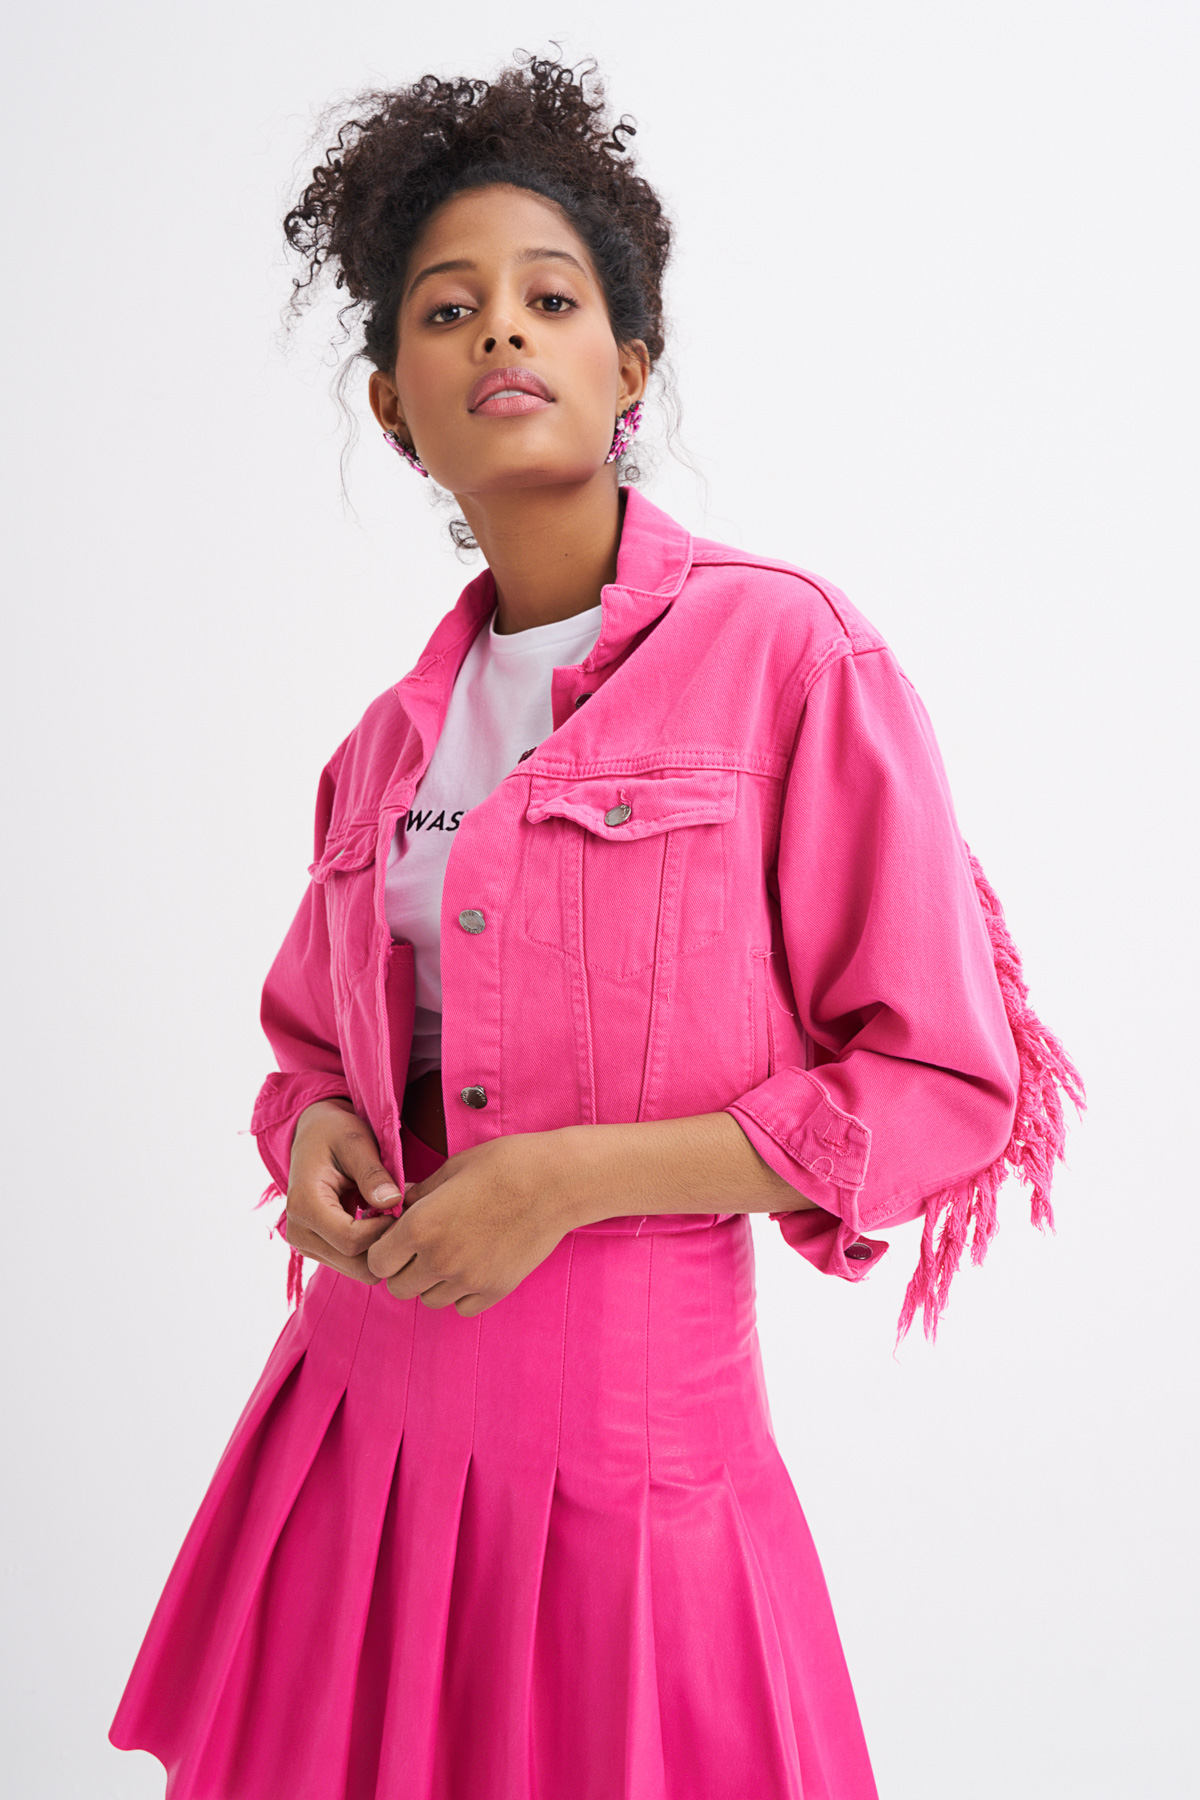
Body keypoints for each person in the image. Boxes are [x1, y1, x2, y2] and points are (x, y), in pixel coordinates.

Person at [110, 53, 1082, 1800]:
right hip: (355, 1436)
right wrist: (315, 1131)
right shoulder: (380, 751)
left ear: (629, 368)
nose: (501, 330)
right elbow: (309, 1059)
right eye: (449, 309)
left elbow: (947, 1085)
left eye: (551, 301)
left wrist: (567, 1182)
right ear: (395, 405)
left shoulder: (790, 658)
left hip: (629, 1471)